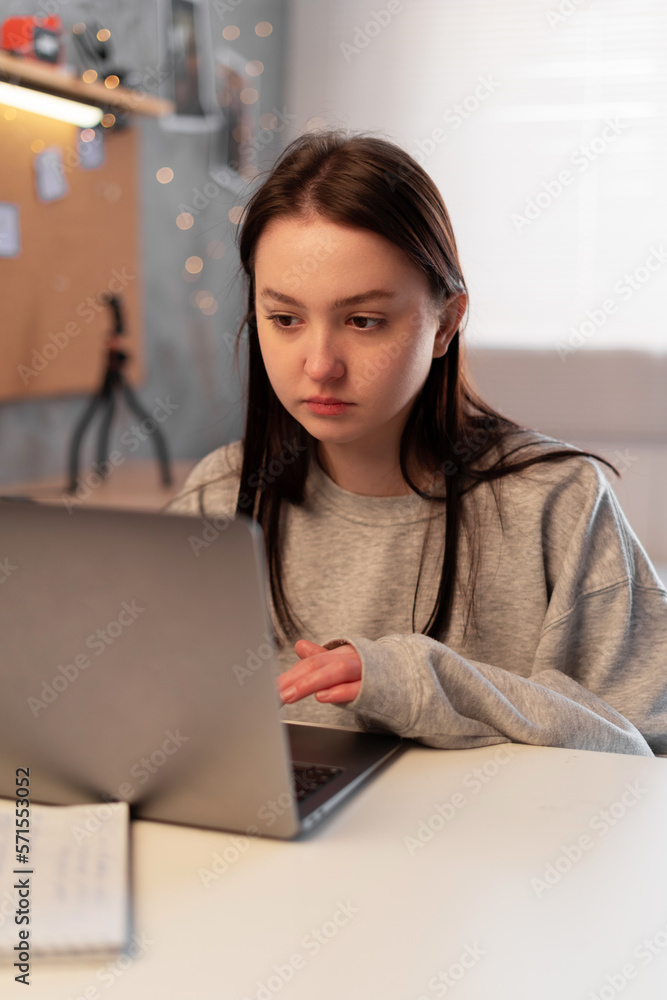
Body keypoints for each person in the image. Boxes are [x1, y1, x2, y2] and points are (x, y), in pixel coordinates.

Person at [165, 128, 667, 758]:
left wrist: (418, 678)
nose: (320, 364)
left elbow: (644, 753)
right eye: (285, 319)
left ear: (445, 323)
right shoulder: (219, 498)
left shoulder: (556, 502)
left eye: (363, 321)